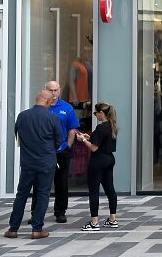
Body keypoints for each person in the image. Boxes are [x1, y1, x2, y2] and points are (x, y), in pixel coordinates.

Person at [4, 90, 62, 239]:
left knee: (21, 194)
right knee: (43, 194)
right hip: (46, 162)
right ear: (48, 102)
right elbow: (58, 141)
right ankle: (37, 229)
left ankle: (13, 228)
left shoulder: (22, 116)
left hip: (28, 162)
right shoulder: (53, 118)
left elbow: (18, 137)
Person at [31, 81, 80, 223]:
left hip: (61, 151)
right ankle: (36, 212)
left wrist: (67, 146)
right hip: (43, 151)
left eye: (56, 90)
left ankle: (60, 212)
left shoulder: (67, 108)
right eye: (50, 90)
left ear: (59, 91)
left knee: (61, 182)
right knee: (39, 182)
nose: (53, 93)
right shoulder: (40, 108)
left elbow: (72, 129)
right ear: (45, 90)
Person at [78, 102, 118, 232]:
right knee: (110, 188)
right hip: (109, 158)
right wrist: (89, 137)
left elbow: (94, 147)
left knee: (94, 190)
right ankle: (112, 219)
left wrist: (83, 140)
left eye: (96, 113)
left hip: (98, 160)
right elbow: (99, 141)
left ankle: (94, 222)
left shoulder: (101, 128)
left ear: (102, 113)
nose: (95, 115)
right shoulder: (111, 126)